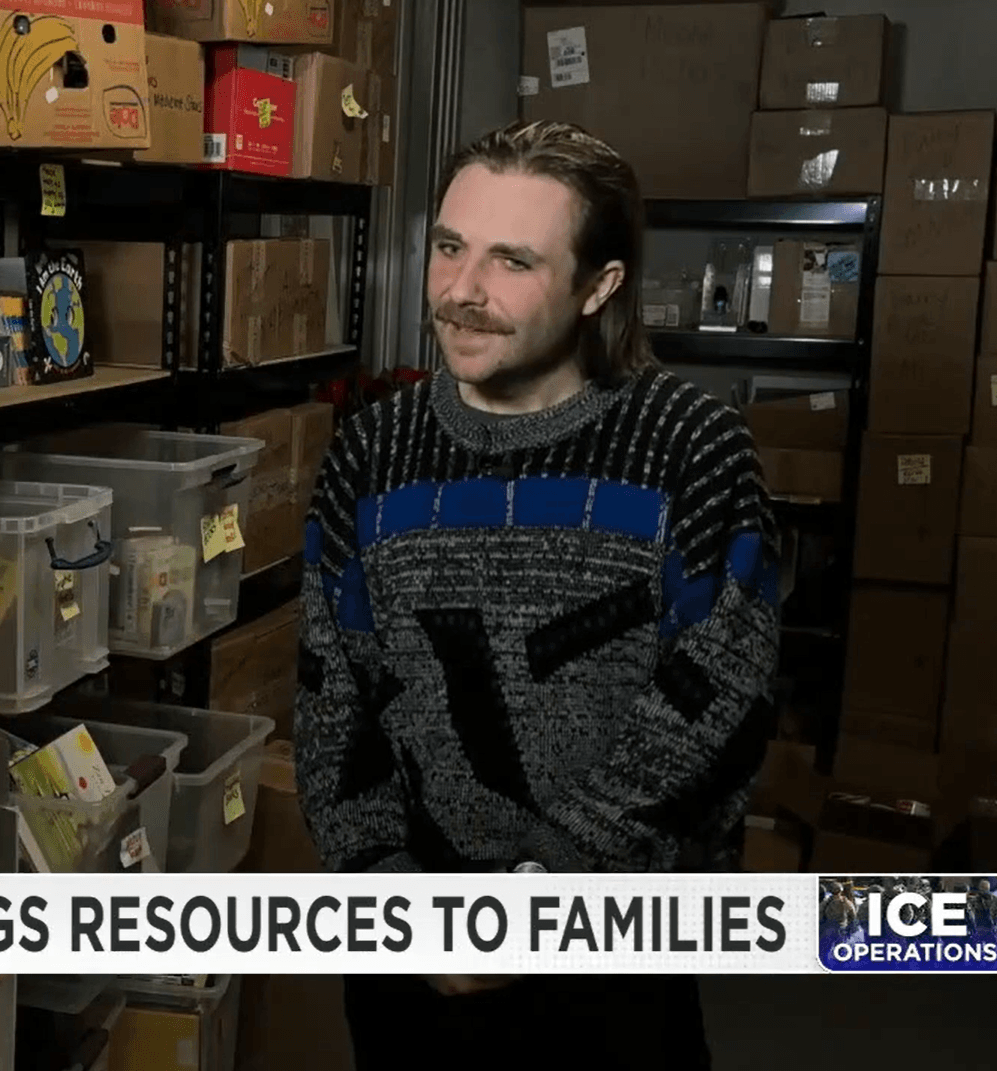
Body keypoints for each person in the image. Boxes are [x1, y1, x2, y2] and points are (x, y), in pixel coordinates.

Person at [295, 120, 780, 1069]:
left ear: (598, 287)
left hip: (611, 953)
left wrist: (538, 901)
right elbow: (329, 695)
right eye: (447, 248)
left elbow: (718, 702)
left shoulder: (692, 448)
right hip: (412, 952)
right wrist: (387, 892)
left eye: (511, 261)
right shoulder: (370, 450)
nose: (461, 293)